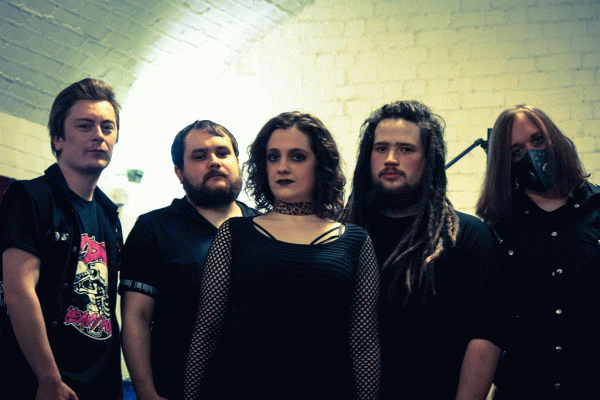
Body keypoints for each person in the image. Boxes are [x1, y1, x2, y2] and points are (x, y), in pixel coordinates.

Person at [184, 111, 380, 400]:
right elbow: (208, 329)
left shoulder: (355, 241)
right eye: (273, 157)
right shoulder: (235, 233)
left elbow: (363, 341)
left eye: (297, 157)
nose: (282, 167)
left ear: (321, 164)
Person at [343, 100, 501, 400]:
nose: (391, 159)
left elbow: (487, 333)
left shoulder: (468, 235)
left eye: (406, 149)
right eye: (381, 148)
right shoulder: (344, 235)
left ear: (429, 159)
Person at [0, 78, 123, 400]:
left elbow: (106, 307)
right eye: (85, 125)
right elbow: (18, 292)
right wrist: (48, 379)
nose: (99, 135)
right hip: (41, 383)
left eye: (107, 127)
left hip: (99, 384)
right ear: (58, 138)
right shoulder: (30, 197)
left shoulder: (110, 215)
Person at [119, 120, 258, 400]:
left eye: (223, 153)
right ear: (179, 172)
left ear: (237, 162)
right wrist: (146, 393)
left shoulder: (265, 228)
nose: (214, 162)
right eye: (199, 156)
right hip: (178, 388)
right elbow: (136, 317)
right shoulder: (154, 228)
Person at [476, 105, 600, 399]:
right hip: (524, 389)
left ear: (555, 139)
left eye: (538, 140)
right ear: (505, 163)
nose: (532, 154)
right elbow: (489, 327)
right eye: (516, 151)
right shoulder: (496, 229)